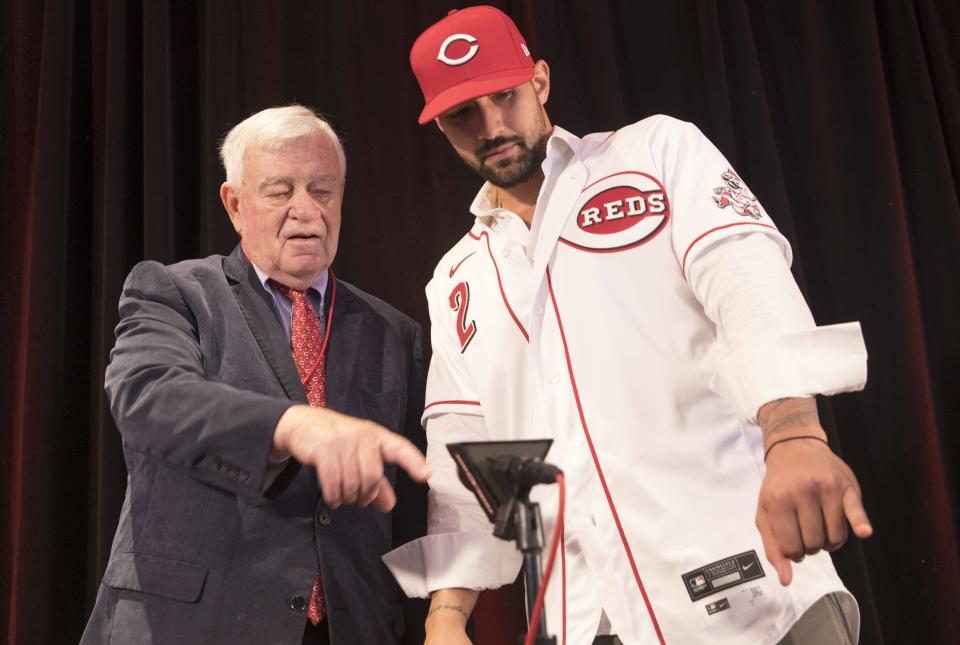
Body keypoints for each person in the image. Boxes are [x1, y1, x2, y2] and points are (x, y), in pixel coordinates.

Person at [384, 6, 872, 645]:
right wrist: (446, 615)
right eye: (462, 114)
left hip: (757, 589)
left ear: (540, 80)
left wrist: (793, 433)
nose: (491, 125)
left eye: (503, 95)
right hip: (591, 620)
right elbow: (463, 455)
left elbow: (746, 281)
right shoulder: (454, 280)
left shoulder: (656, 152)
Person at [81, 105, 430, 645]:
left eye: (322, 189)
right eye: (279, 191)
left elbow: (409, 508)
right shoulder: (177, 293)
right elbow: (147, 398)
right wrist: (294, 426)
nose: (306, 211)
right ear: (235, 204)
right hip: (193, 625)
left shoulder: (395, 333)